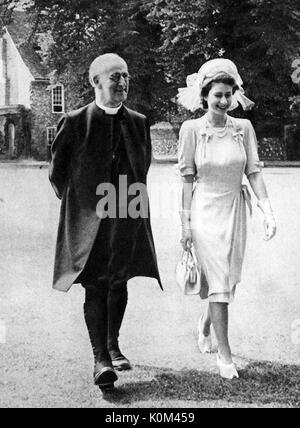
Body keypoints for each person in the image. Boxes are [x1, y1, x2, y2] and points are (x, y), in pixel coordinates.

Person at [49, 53, 162, 392]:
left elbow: (144, 165)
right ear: (95, 81)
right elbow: (58, 173)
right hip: (90, 214)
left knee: (119, 279)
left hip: (127, 209)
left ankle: (113, 344)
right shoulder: (74, 121)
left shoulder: (139, 122)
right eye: (115, 77)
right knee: (95, 282)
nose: (123, 83)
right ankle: (101, 359)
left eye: (126, 76)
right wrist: (82, 206)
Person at [177, 58, 276, 379]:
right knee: (219, 283)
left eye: (228, 95)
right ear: (204, 96)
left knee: (226, 281)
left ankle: (205, 326)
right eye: (217, 94)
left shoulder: (243, 128)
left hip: (236, 212)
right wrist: (185, 225)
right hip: (204, 214)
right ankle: (225, 355)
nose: (222, 101)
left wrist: (267, 210)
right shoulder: (191, 130)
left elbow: (254, 171)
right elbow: (187, 180)